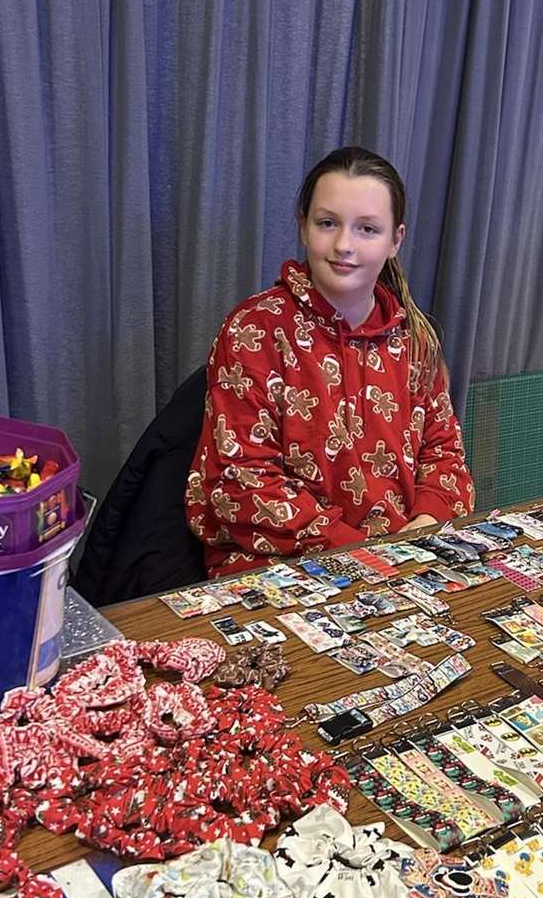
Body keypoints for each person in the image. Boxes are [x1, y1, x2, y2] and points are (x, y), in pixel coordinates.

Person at [186, 146, 475, 576]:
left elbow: (445, 455)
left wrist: (424, 529)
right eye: (327, 224)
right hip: (280, 566)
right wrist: (363, 554)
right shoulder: (256, 330)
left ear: (395, 240)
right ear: (303, 227)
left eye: (367, 230)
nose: (344, 245)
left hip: (405, 559)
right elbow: (243, 483)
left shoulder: (415, 339)